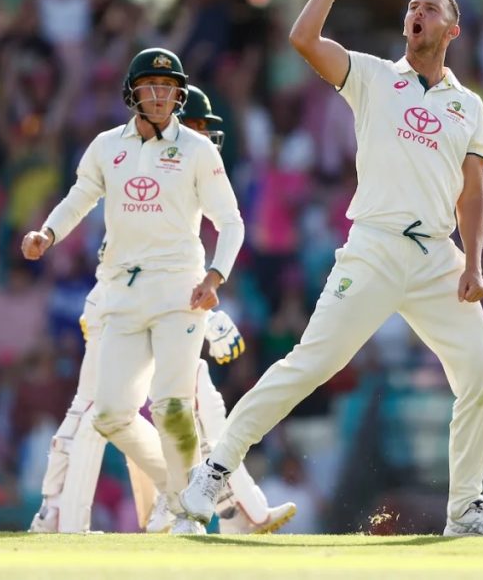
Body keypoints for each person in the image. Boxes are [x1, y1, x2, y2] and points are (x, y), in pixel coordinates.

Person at [181, 0, 483, 537]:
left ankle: (464, 509)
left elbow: (474, 193)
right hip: (374, 246)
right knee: (311, 363)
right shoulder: (370, 75)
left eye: (431, 8)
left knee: (481, 376)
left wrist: (473, 263)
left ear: (453, 29)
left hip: (438, 254)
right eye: (413, 6)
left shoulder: (467, 105)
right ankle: (216, 468)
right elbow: (304, 39)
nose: (417, 13)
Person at [28, 84, 295, 535]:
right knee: (100, 412)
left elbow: (186, 247)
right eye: (199, 127)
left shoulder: (191, 159)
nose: (207, 139)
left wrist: (211, 300)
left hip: (165, 297)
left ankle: (213, 510)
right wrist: (49, 233)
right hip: (116, 299)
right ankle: (61, 515)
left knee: (188, 403)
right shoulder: (121, 151)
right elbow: (128, 233)